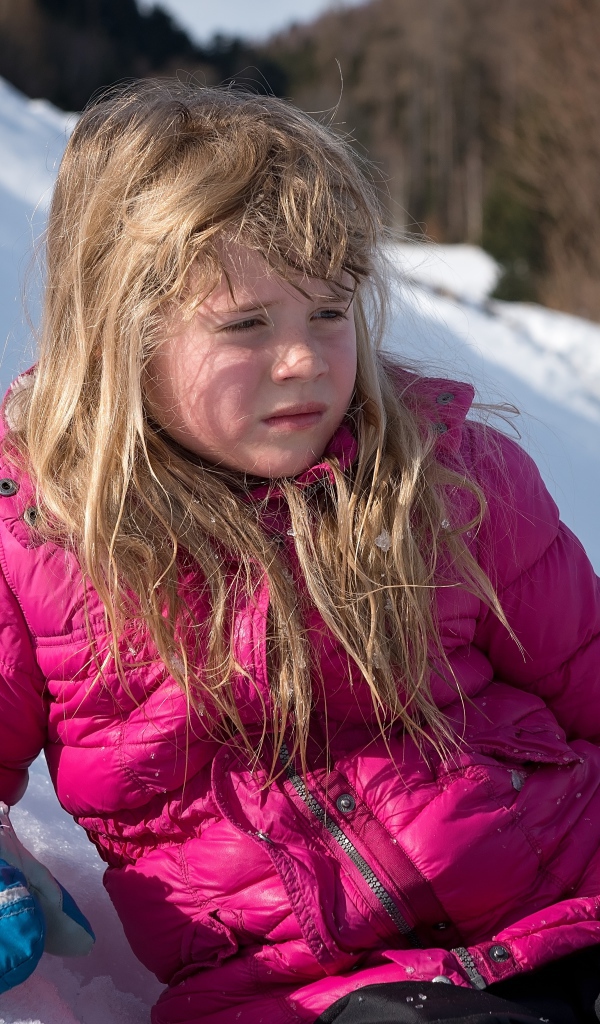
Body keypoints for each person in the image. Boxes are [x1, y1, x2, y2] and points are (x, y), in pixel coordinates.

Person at [0, 80, 600, 1024]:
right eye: (247, 324)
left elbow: (589, 678)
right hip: (309, 998)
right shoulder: (43, 542)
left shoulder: (448, 480)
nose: (305, 359)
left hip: (573, 904)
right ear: (124, 332)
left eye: (329, 313)